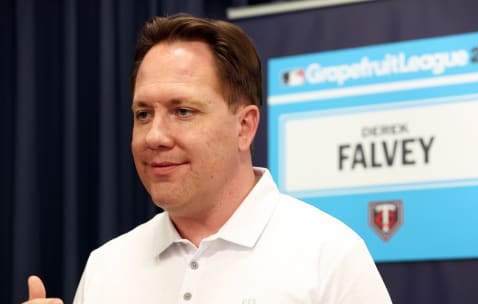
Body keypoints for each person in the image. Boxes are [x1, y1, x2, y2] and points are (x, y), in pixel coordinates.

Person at [24, 14, 392, 304]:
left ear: (244, 127)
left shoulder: (328, 255)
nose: (154, 136)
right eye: (143, 114)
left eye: (182, 111)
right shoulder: (107, 266)